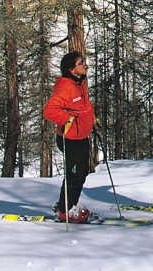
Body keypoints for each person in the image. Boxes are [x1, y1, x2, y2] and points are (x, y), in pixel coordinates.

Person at [44, 52, 95, 222]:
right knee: (75, 176)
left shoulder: (78, 84)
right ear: (71, 69)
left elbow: (81, 107)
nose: (84, 65)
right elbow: (50, 111)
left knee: (81, 174)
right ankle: (65, 211)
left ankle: (68, 205)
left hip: (80, 137)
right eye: (81, 63)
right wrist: (67, 119)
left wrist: (92, 119)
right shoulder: (66, 87)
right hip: (70, 139)